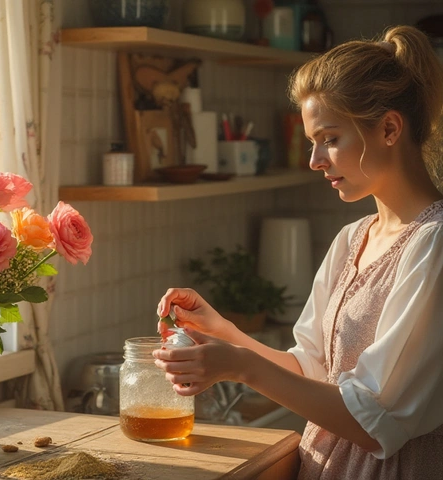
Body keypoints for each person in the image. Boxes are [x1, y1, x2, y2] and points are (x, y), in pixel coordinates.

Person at [153, 25, 443, 479]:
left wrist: (243, 367)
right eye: (313, 141)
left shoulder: (434, 244)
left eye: (329, 138)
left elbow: (376, 424)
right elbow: (311, 371)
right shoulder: (352, 238)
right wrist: (227, 334)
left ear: (389, 128)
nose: (315, 160)